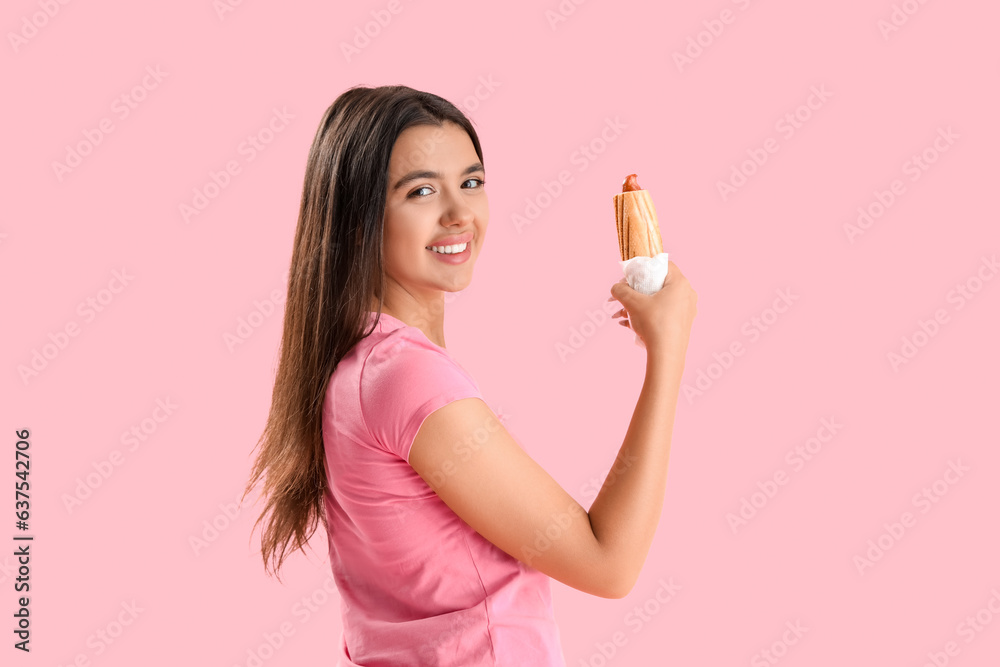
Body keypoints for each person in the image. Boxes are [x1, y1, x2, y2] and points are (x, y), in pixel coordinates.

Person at [242, 84, 698, 667]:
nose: (459, 213)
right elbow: (609, 562)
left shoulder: (357, 368)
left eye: (472, 182)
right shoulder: (406, 377)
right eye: (422, 190)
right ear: (360, 218)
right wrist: (670, 353)